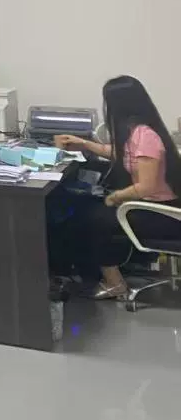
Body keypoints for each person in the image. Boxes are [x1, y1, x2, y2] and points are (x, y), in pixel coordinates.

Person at [53, 76, 181, 299]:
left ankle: (114, 283)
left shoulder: (146, 136)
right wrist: (84, 144)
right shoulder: (138, 130)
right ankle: (91, 273)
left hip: (163, 214)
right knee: (88, 208)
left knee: (94, 218)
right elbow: (123, 155)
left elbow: (146, 187)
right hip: (155, 206)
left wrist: (115, 197)